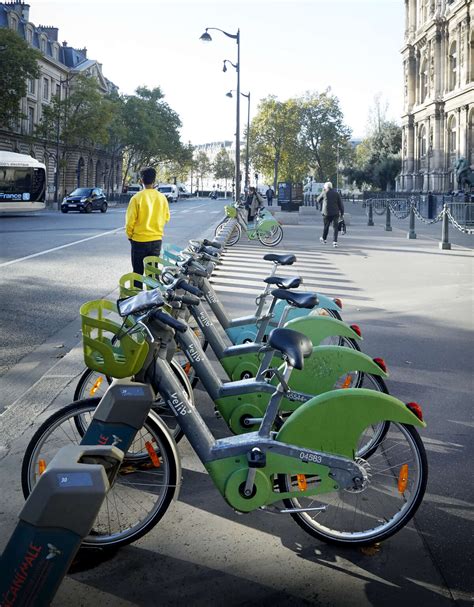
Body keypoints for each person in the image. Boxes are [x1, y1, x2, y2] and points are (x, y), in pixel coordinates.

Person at [125, 166, 170, 275]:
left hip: (139, 240)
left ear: (141, 181)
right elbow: (166, 217)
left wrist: (130, 236)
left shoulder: (136, 198)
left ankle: (138, 292)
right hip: (156, 240)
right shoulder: (162, 198)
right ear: (154, 181)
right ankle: (154, 292)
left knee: (137, 272)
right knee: (153, 273)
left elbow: (130, 221)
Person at [317, 181, 344, 248]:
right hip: (335, 213)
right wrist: (342, 213)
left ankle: (324, 239)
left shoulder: (324, 192)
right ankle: (335, 242)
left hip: (326, 213)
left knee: (326, 226)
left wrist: (323, 192)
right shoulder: (336, 193)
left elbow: (318, 200)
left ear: (326, 187)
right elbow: (340, 204)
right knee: (335, 228)